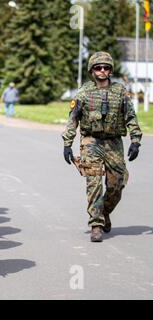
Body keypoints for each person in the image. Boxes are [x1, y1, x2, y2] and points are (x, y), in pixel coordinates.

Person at [62, 51, 142, 242]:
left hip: (114, 142)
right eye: (98, 67)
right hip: (91, 142)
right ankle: (96, 225)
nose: (102, 70)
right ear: (92, 70)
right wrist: (67, 144)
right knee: (94, 183)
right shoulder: (83, 93)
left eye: (106, 67)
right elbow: (73, 119)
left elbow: (130, 116)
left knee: (117, 184)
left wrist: (135, 140)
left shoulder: (120, 91)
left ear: (111, 70)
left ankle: (104, 212)